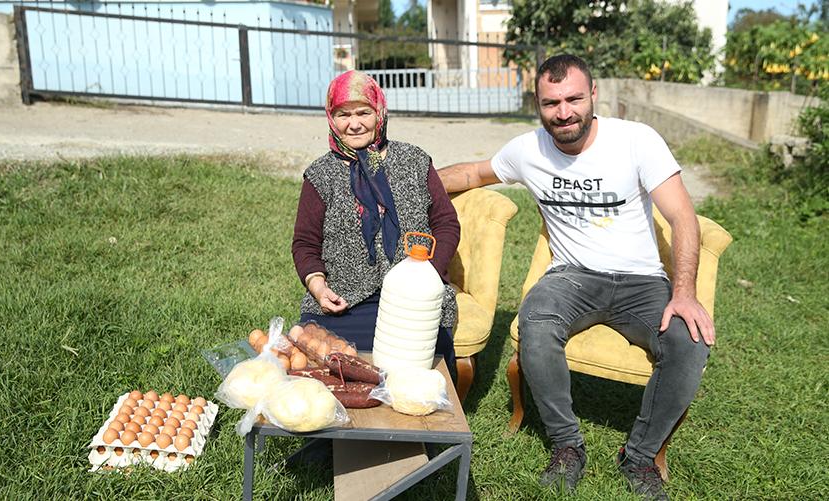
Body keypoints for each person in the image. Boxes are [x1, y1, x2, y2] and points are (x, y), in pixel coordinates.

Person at [438, 54, 713, 500]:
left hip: (642, 281)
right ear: (537, 103)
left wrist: (683, 293)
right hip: (572, 277)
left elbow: (683, 216)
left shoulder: (636, 140)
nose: (563, 112)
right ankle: (567, 445)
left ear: (593, 96)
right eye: (551, 103)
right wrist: (411, 180)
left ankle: (640, 456)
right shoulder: (528, 150)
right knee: (537, 324)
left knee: (688, 341)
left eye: (573, 99)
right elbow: (473, 173)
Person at [292, 70, 460, 375]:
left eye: (363, 112)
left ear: (379, 112)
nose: (354, 123)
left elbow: (446, 222)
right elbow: (305, 243)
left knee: (414, 368)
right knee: (332, 369)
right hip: (346, 300)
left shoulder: (414, 160)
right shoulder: (320, 175)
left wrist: (426, 276)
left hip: (412, 299)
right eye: (343, 114)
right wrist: (319, 289)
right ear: (331, 118)